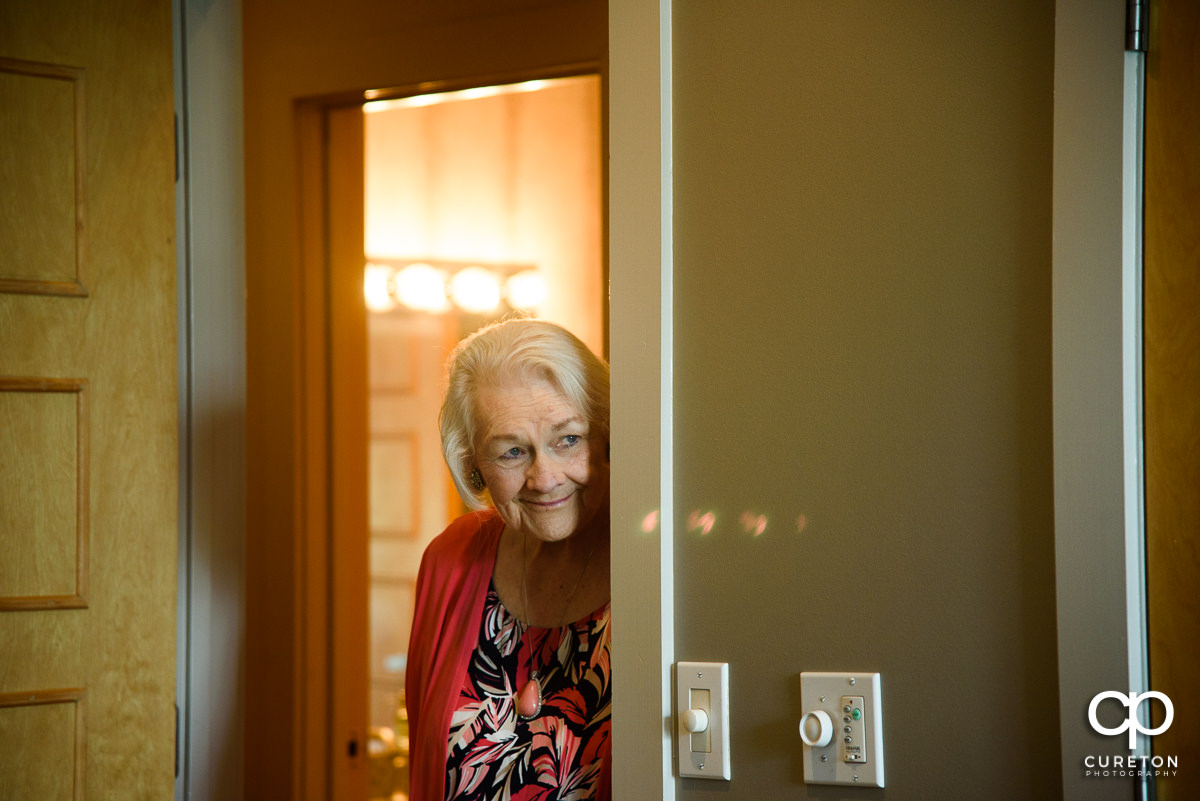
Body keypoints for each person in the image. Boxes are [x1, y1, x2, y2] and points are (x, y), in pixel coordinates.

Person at [406, 317, 611, 800]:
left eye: (568, 440)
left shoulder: (652, 564)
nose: (545, 478)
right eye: (513, 452)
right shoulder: (449, 561)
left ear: (605, 434)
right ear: (473, 462)